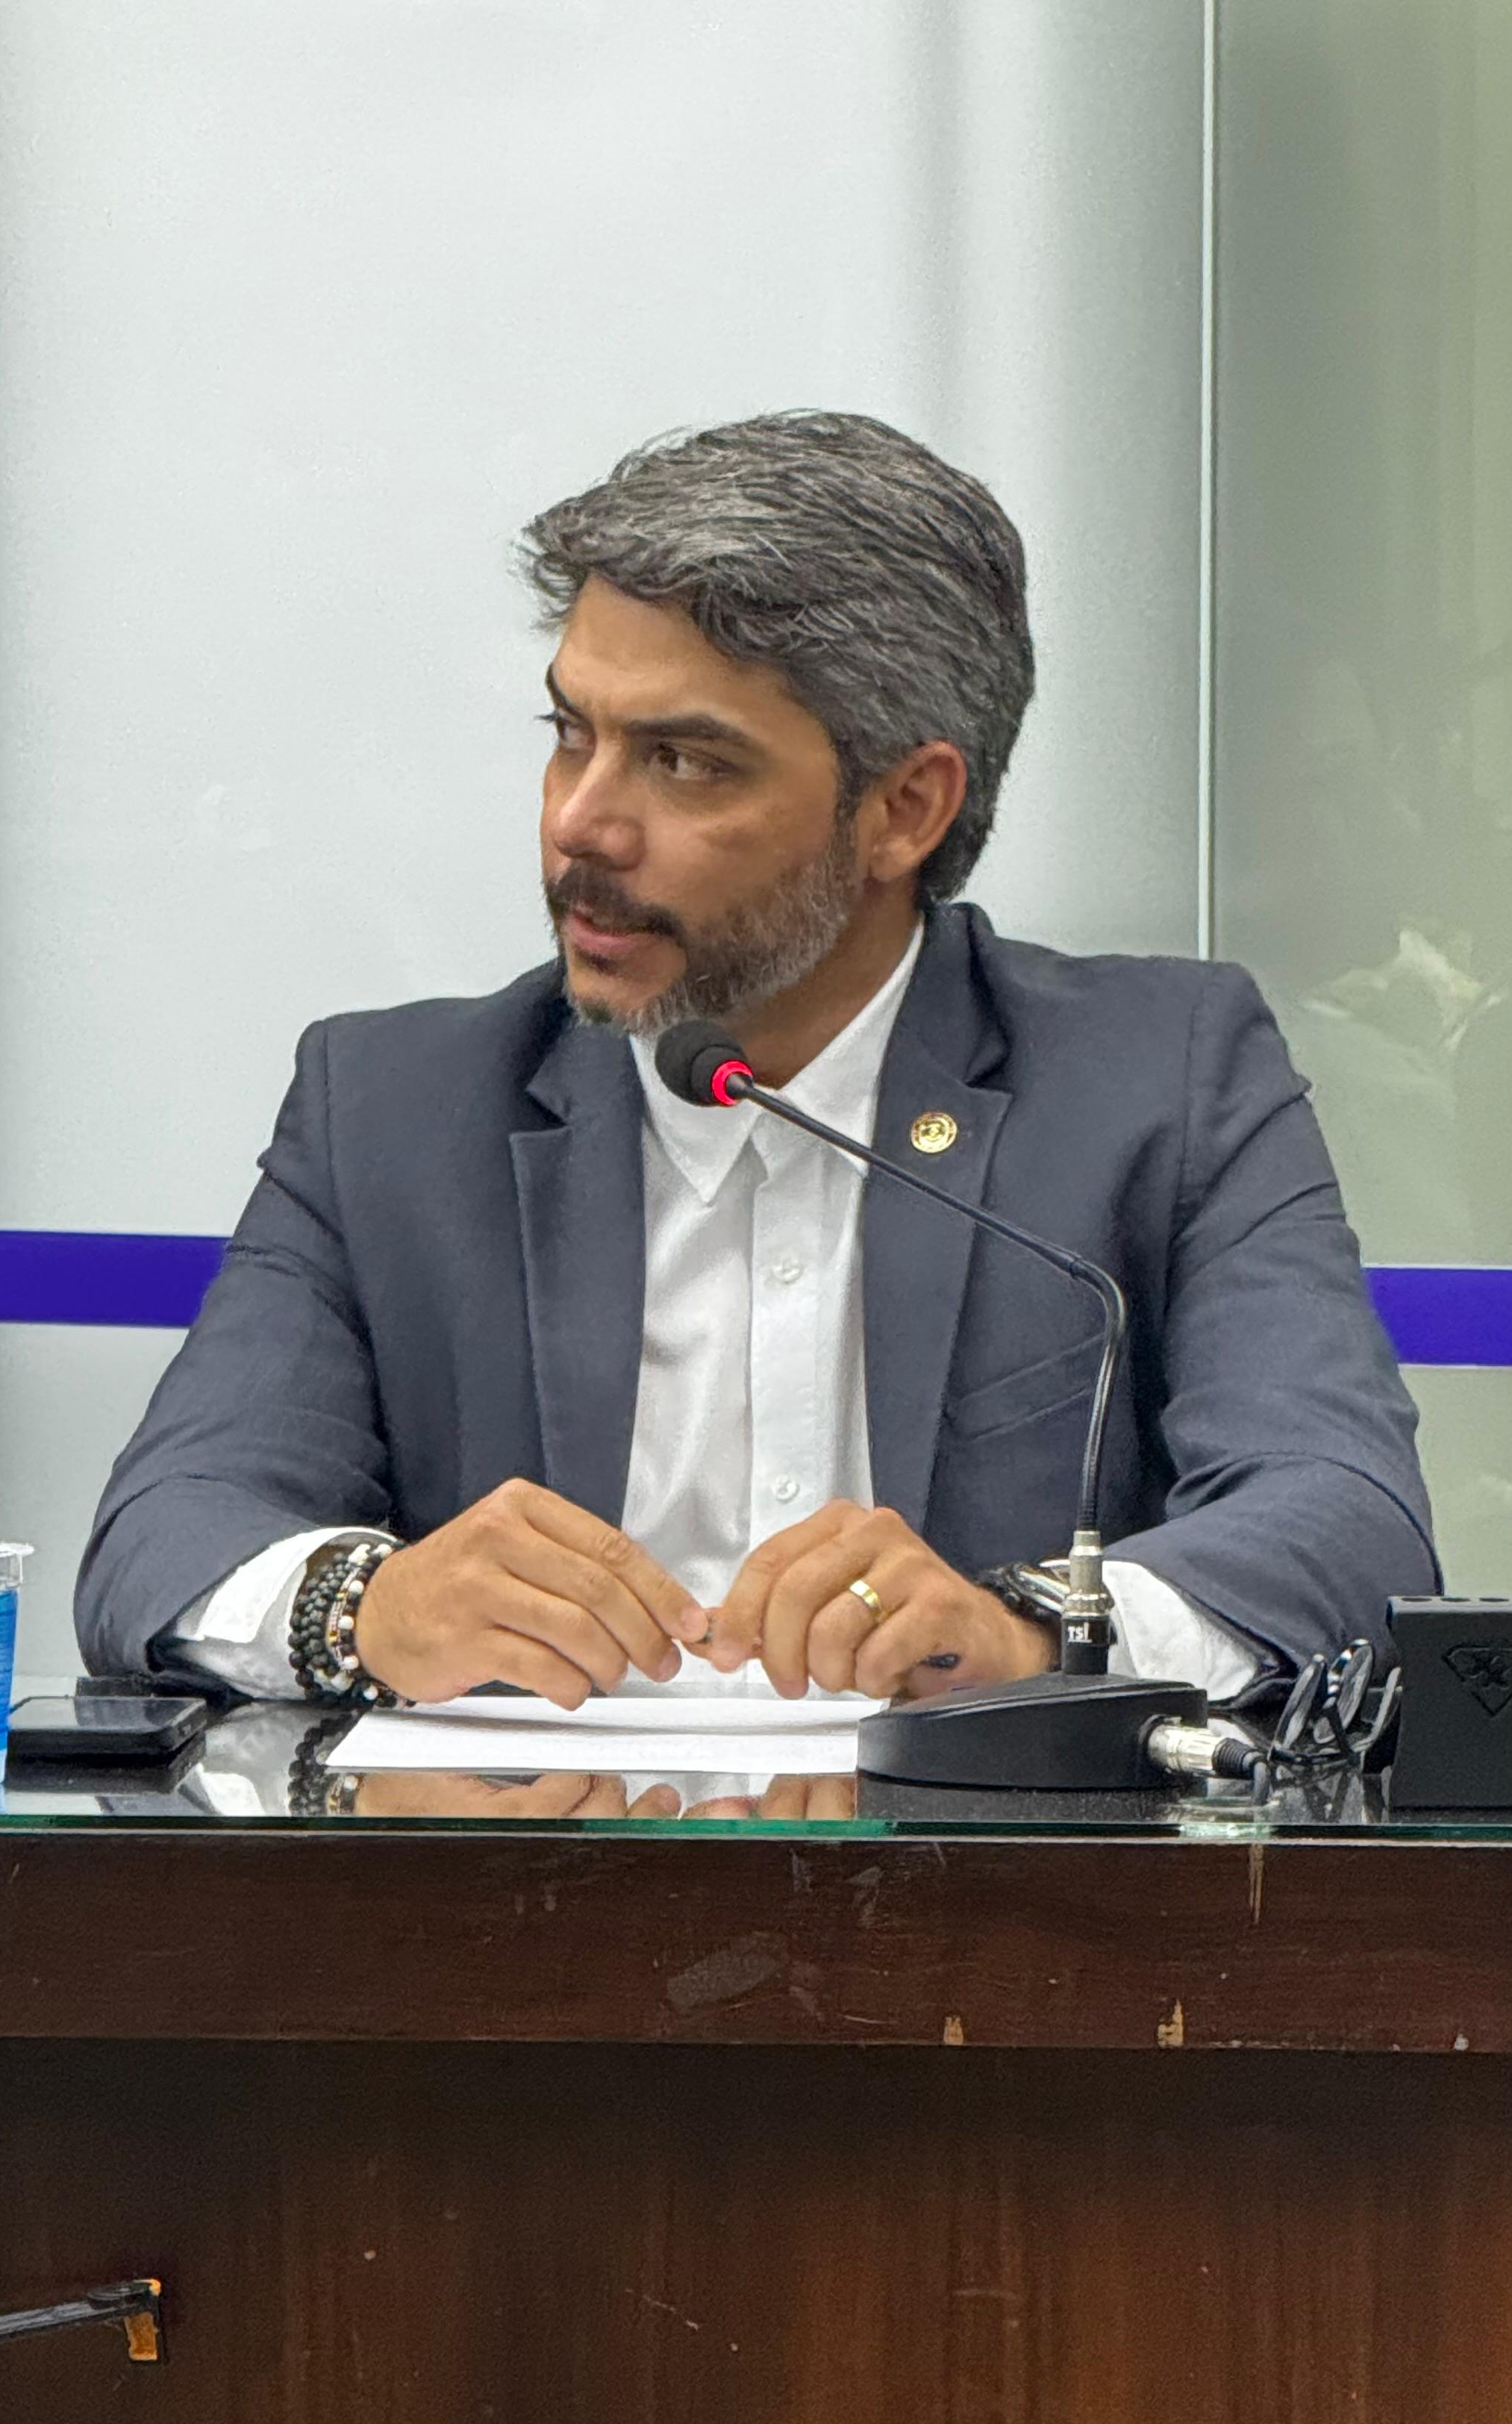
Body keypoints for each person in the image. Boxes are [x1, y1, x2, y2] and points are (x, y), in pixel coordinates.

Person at [75, 411, 1437, 1717]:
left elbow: (1348, 1525)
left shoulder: (1160, 1081)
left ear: (905, 808)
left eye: (684, 763)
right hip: (520, 1868)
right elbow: (166, 1531)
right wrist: (366, 1609)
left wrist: (1030, 1632)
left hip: (985, 1874)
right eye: (571, 734)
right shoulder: (396, 1105)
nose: (581, 824)